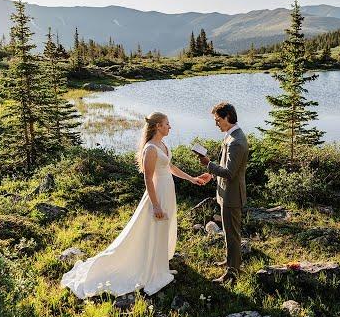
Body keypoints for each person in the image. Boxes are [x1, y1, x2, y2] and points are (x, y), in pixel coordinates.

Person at [61, 112, 204, 299]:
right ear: (157, 126)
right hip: (157, 194)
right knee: (153, 228)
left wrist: (192, 179)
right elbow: (148, 178)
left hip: (168, 191)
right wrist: (155, 205)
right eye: (167, 124)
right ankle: (151, 271)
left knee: (162, 229)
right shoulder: (150, 149)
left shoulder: (162, 145)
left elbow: (171, 168)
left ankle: (160, 267)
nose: (170, 127)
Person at [197, 102, 249, 284]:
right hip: (225, 193)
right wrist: (211, 174)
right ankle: (230, 261)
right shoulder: (230, 136)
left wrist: (208, 164)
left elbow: (229, 172)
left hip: (232, 196)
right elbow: (225, 168)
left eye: (217, 120)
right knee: (228, 232)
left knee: (233, 235)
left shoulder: (237, 142)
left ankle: (232, 273)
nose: (216, 124)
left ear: (227, 117)